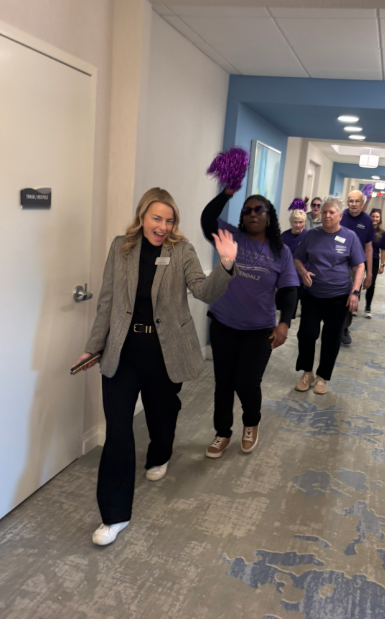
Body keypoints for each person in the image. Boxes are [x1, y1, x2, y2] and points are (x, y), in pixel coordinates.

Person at [72, 187, 238, 546]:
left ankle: (160, 454)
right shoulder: (121, 247)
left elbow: (203, 291)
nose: (163, 226)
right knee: (118, 432)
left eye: (169, 220)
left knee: (162, 415)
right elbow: (107, 301)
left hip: (165, 353)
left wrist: (226, 265)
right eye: (156, 218)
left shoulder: (182, 251)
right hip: (123, 352)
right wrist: (92, 347)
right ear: (142, 216)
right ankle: (114, 516)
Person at [201, 189, 298, 459]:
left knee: (247, 382)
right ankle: (222, 432)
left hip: (259, 330)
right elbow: (207, 219)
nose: (252, 214)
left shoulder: (281, 251)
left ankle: (251, 423)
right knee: (223, 382)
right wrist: (226, 194)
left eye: (258, 210)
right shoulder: (231, 237)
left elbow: (289, 290)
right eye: (247, 211)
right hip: (224, 323)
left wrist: (284, 323)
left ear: (269, 217)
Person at [293, 197, 365, 395]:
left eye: (331, 212)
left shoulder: (350, 237)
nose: (326, 215)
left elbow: (359, 266)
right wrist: (303, 272)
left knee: (331, 338)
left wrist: (355, 292)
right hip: (313, 295)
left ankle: (322, 377)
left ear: (340, 215)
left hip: (339, 297)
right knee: (307, 334)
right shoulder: (311, 235)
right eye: (324, 212)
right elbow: (298, 258)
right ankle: (307, 373)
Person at [339, 190, 374, 345]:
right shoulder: (340, 216)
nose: (353, 204)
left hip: (356, 266)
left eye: (357, 201)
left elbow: (369, 248)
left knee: (352, 296)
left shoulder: (367, 220)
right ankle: (334, 324)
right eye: (351, 201)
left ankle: (344, 327)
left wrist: (369, 273)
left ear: (362, 202)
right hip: (338, 263)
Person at [281, 209, 307, 318]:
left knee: (306, 310)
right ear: (291, 222)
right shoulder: (284, 236)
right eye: (295, 222)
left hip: (304, 276)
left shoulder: (308, 236)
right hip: (289, 277)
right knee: (289, 308)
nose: (298, 225)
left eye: (301, 222)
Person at [365, 208, 385, 318]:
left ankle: (368, 307)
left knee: (371, 284)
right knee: (358, 281)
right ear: (369, 217)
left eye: (377, 217)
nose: (374, 218)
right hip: (361, 259)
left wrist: (382, 265)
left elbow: (383, 250)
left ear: (380, 219)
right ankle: (354, 305)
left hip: (374, 260)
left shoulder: (382, 233)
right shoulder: (365, 229)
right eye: (373, 216)